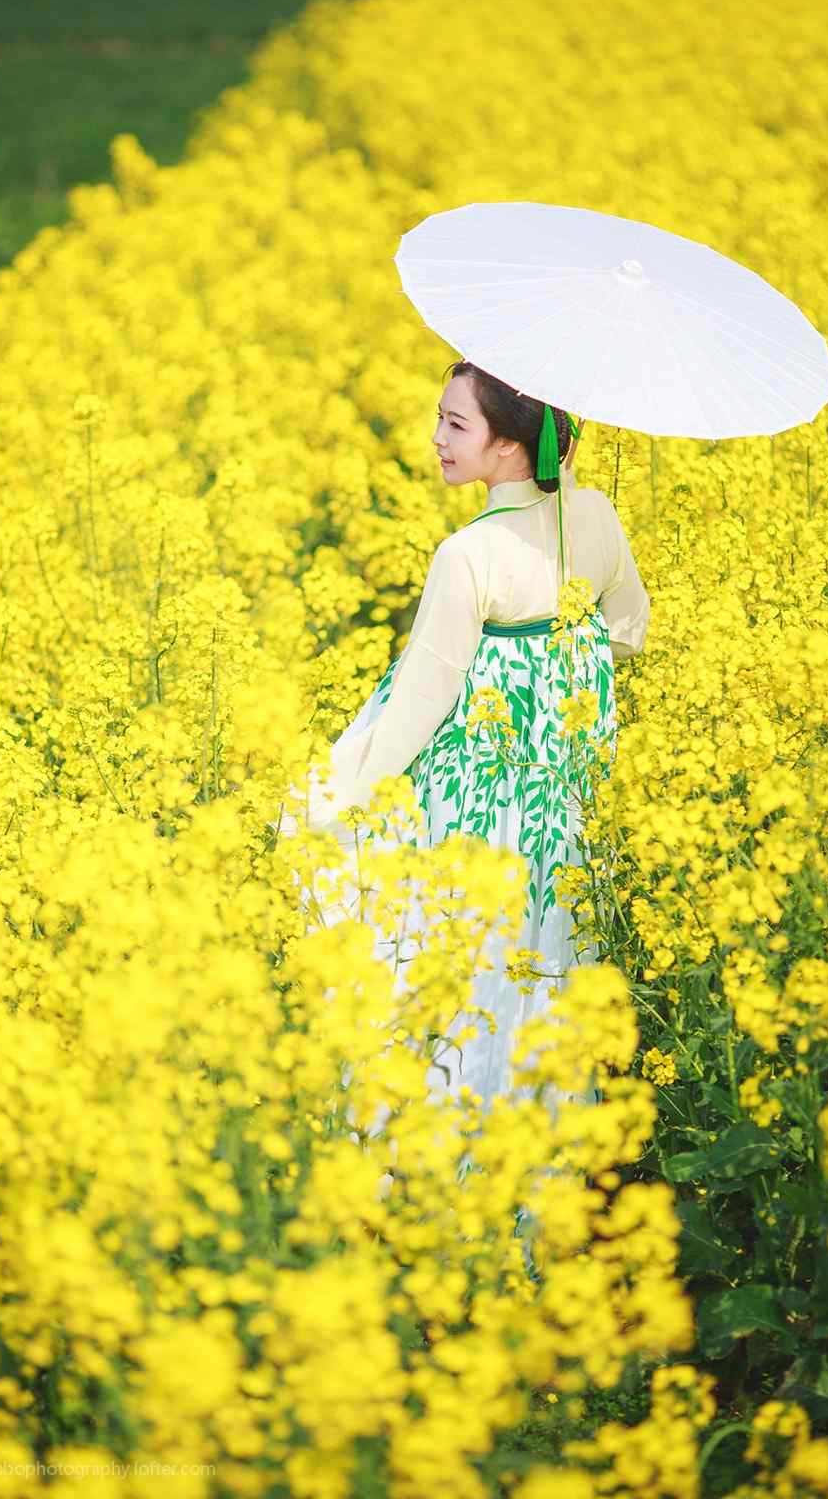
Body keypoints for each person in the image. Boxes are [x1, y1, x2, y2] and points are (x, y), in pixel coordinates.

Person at [281, 359, 651, 1117]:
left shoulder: (468, 554)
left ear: (511, 447)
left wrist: (340, 800)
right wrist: (559, 669)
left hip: (475, 798)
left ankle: (439, 1151)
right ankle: (531, 1155)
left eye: (456, 424)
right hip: (561, 796)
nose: (437, 438)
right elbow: (628, 630)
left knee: (453, 959)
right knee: (542, 954)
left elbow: (423, 696)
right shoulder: (599, 516)